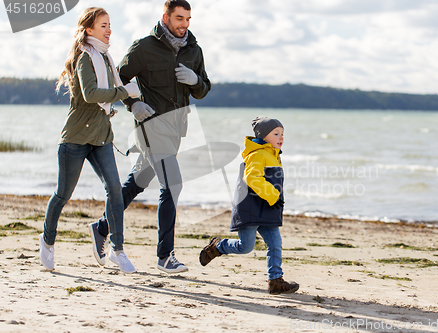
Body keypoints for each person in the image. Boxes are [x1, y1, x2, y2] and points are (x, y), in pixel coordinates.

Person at [89, 0, 211, 274]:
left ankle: (101, 227)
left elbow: (204, 89)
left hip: (177, 128)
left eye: (188, 19)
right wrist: (134, 105)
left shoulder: (194, 50)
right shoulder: (143, 47)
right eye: (179, 18)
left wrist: (195, 81)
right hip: (150, 127)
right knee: (173, 184)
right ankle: (165, 256)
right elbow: (117, 81)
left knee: (137, 183)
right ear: (165, 17)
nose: (185, 24)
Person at [39, 7, 140, 273]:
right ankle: (47, 241)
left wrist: (137, 99)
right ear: (89, 30)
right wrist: (123, 91)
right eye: (103, 25)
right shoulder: (85, 57)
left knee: (115, 189)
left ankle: (117, 250)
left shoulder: (106, 58)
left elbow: (117, 92)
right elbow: (91, 94)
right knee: (63, 194)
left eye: (110, 25)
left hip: (101, 137)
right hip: (75, 138)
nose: (109, 30)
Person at [199, 117, 300, 295]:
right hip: (251, 208)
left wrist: (275, 198)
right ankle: (218, 246)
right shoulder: (257, 154)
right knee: (245, 246)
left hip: (267, 208)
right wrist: (273, 195)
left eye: (282, 134)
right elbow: (252, 179)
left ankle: (275, 280)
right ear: (263, 136)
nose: (281, 137)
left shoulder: (274, 155)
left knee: (275, 243)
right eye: (276, 133)